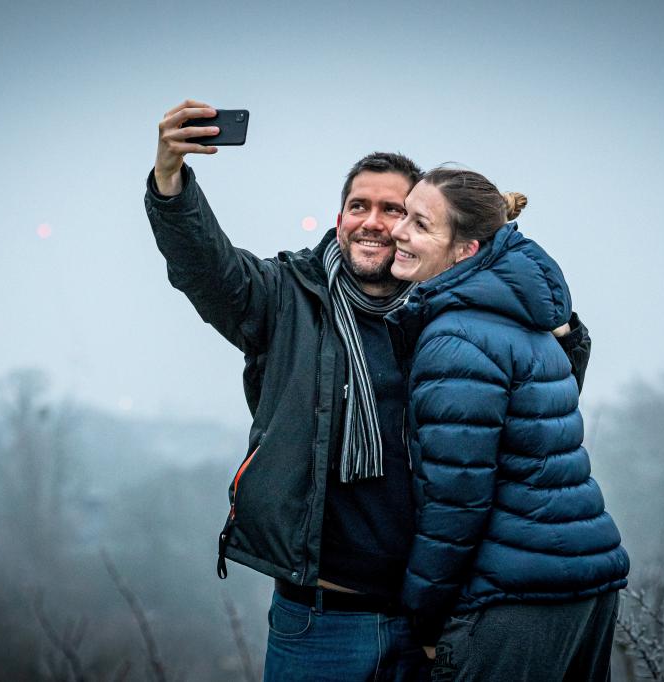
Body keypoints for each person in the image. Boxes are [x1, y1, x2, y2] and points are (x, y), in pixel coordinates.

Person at [145, 100, 593, 681]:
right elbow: (206, 269)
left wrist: (558, 321)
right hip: (320, 622)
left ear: (415, 228)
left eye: (394, 209)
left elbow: (544, 400)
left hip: (436, 622)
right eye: (359, 206)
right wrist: (169, 178)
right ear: (339, 220)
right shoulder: (286, 299)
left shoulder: (454, 317)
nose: (375, 221)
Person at [385, 168, 630, 681]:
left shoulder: (456, 338)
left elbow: (456, 497)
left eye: (420, 224)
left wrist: (425, 616)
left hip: (513, 601)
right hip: (583, 586)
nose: (398, 231)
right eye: (404, 214)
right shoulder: (521, 319)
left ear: (466, 250)